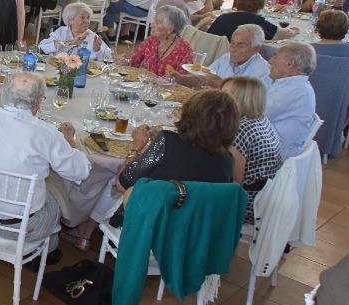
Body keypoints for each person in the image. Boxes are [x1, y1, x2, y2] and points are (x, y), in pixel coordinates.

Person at [0, 72, 92, 252]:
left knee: (45, 176)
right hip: (24, 228)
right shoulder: (46, 133)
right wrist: (70, 141)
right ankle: (51, 247)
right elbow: (81, 171)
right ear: (38, 102)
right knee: (62, 181)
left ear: (6, 93)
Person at [102, 88, 242, 227]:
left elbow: (121, 184)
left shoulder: (169, 142)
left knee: (111, 184)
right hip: (189, 233)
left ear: (189, 114)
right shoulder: (227, 161)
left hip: (148, 227)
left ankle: (85, 232)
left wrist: (137, 146)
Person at [221, 75, 282, 222]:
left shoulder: (240, 130)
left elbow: (234, 182)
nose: (219, 98)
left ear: (241, 99)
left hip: (247, 202)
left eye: (225, 94)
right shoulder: (260, 119)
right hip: (265, 196)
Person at [265, 41, 318, 155]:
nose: (270, 61)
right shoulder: (291, 85)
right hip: (269, 145)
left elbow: (256, 115)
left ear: (290, 63)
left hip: (275, 154)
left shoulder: (295, 90)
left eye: (275, 57)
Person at [181, 24, 272, 87]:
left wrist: (221, 84)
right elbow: (203, 78)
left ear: (255, 49)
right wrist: (179, 78)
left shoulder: (263, 72)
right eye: (232, 43)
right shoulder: (226, 57)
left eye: (241, 45)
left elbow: (251, 105)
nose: (233, 49)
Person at [126, 4, 196, 77]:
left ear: (170, 29)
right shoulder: (150, 41)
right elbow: (133, 63)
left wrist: (177, 77)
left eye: (157, 22)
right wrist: (124, 62)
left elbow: (184, 80)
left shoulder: (184, 49)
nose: (151, 25)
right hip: (146, 86)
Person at [40, 2, 114, 65]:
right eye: (82, 17)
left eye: (88, 18)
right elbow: (42, 47)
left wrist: (98, 50)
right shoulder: (61, 32)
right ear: (70, 20)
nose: (86, 21)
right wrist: (69, 42)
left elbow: (108, 61)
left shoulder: (93, 37)